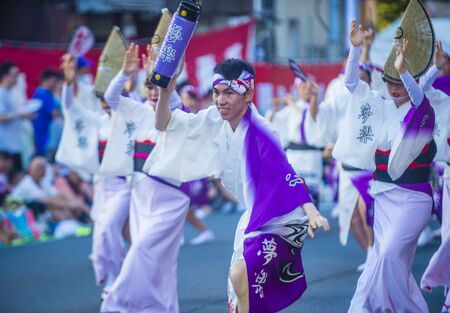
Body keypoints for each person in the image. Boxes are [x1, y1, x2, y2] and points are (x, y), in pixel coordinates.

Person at [146, 58, 330, 313]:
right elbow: (164, 123)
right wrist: (165, 93)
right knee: (240, 291)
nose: (221, 100)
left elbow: (287, 173)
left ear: (249, 94)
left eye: (229, 93)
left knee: (239, 274)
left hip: (279, 218)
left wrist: (312, 212)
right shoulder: (213, 118)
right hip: (252, 216)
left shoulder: (262, 132)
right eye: (217, 93)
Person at [335, 20, 436, 312]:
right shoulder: (379, 107)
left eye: (398, 82)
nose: (392, 88)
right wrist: (355, 49)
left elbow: (418, 95)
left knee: (390, 255)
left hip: (414, 200)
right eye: (388, 81)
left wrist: (404, 70)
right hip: (384, 197)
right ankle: (375, 306)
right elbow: (352, 84)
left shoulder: (420, 110)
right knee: (384, 259)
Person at [100, 43, 191, 313]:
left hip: (170, 199)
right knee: (154, 260)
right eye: (149, 87)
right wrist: (125, 74)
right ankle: (158, 307)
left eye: (157, 87)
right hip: (141, 196)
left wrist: (164, 81)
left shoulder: (176, 113)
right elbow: (111, 98)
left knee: (142, 250)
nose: (153, 92)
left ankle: (117, 303)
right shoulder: (137, 111)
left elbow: (172, 101)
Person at [0, 62, 34, 179]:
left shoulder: (11, 94)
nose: (17, 78)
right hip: (4, 146)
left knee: (17, 177)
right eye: (14, 75)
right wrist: (20, 114)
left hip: (15, 144)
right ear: (5, 76)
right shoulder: (1, 93)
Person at [32, 69, 63, 156]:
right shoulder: (43, 93)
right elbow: (55, 113)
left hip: (43, 131)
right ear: (47, 80)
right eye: (54, 81)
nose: (55, 84)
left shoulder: (42, 92)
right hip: (45, 133)